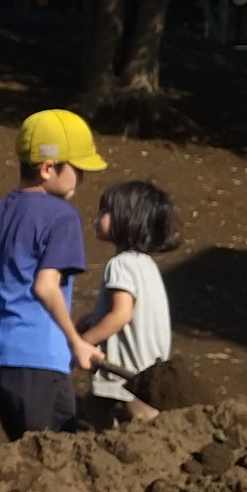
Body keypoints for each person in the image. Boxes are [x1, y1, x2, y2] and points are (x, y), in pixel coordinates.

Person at [0, 109, 106, 440]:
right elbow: (46, 286)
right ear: (48, 168)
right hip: (40, 356)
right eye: (78, 170)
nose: (83, 179)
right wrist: (76, 342)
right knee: (51, 463)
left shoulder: (2, 209)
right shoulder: (62, 216)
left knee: (32, 451)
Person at [78, 180, 178, 425]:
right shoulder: (146, 264)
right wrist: (92, 319)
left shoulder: (120, 265)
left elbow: (121, 315)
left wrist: (83, 342)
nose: (96, 217)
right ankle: (113, 446)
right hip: (149, 361)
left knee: (142, 415)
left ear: (126, 220)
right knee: (94, 405)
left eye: (105, 212)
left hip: (126, 366)